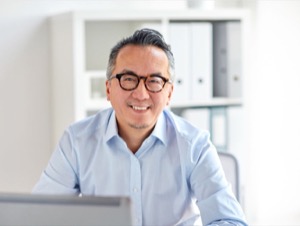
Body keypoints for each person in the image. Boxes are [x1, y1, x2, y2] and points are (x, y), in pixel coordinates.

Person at [33, 28, 247, 226]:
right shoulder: (77, 141)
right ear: (108, 89)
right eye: (128, 79)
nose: (141, 94)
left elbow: (230, 221)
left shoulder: (194, 146)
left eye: (154, 81)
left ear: (169, 93)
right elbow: (40, 217)